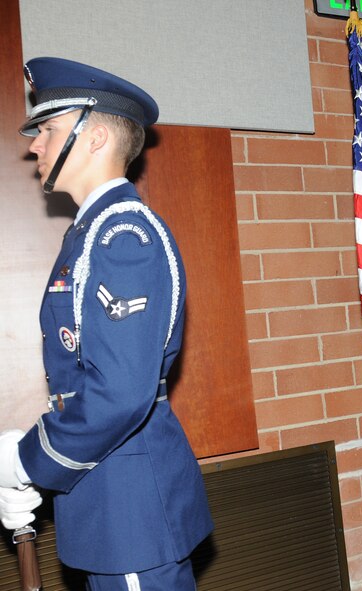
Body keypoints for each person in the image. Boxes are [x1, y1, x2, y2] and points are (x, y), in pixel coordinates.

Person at [0, 57, 213, 589]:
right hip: (108, 502)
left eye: (46, 129)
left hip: (130, 511)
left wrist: (28, 461)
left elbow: (119, 392)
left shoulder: (122, 238)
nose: (35, 145)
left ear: (94, 137)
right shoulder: (91, 232)